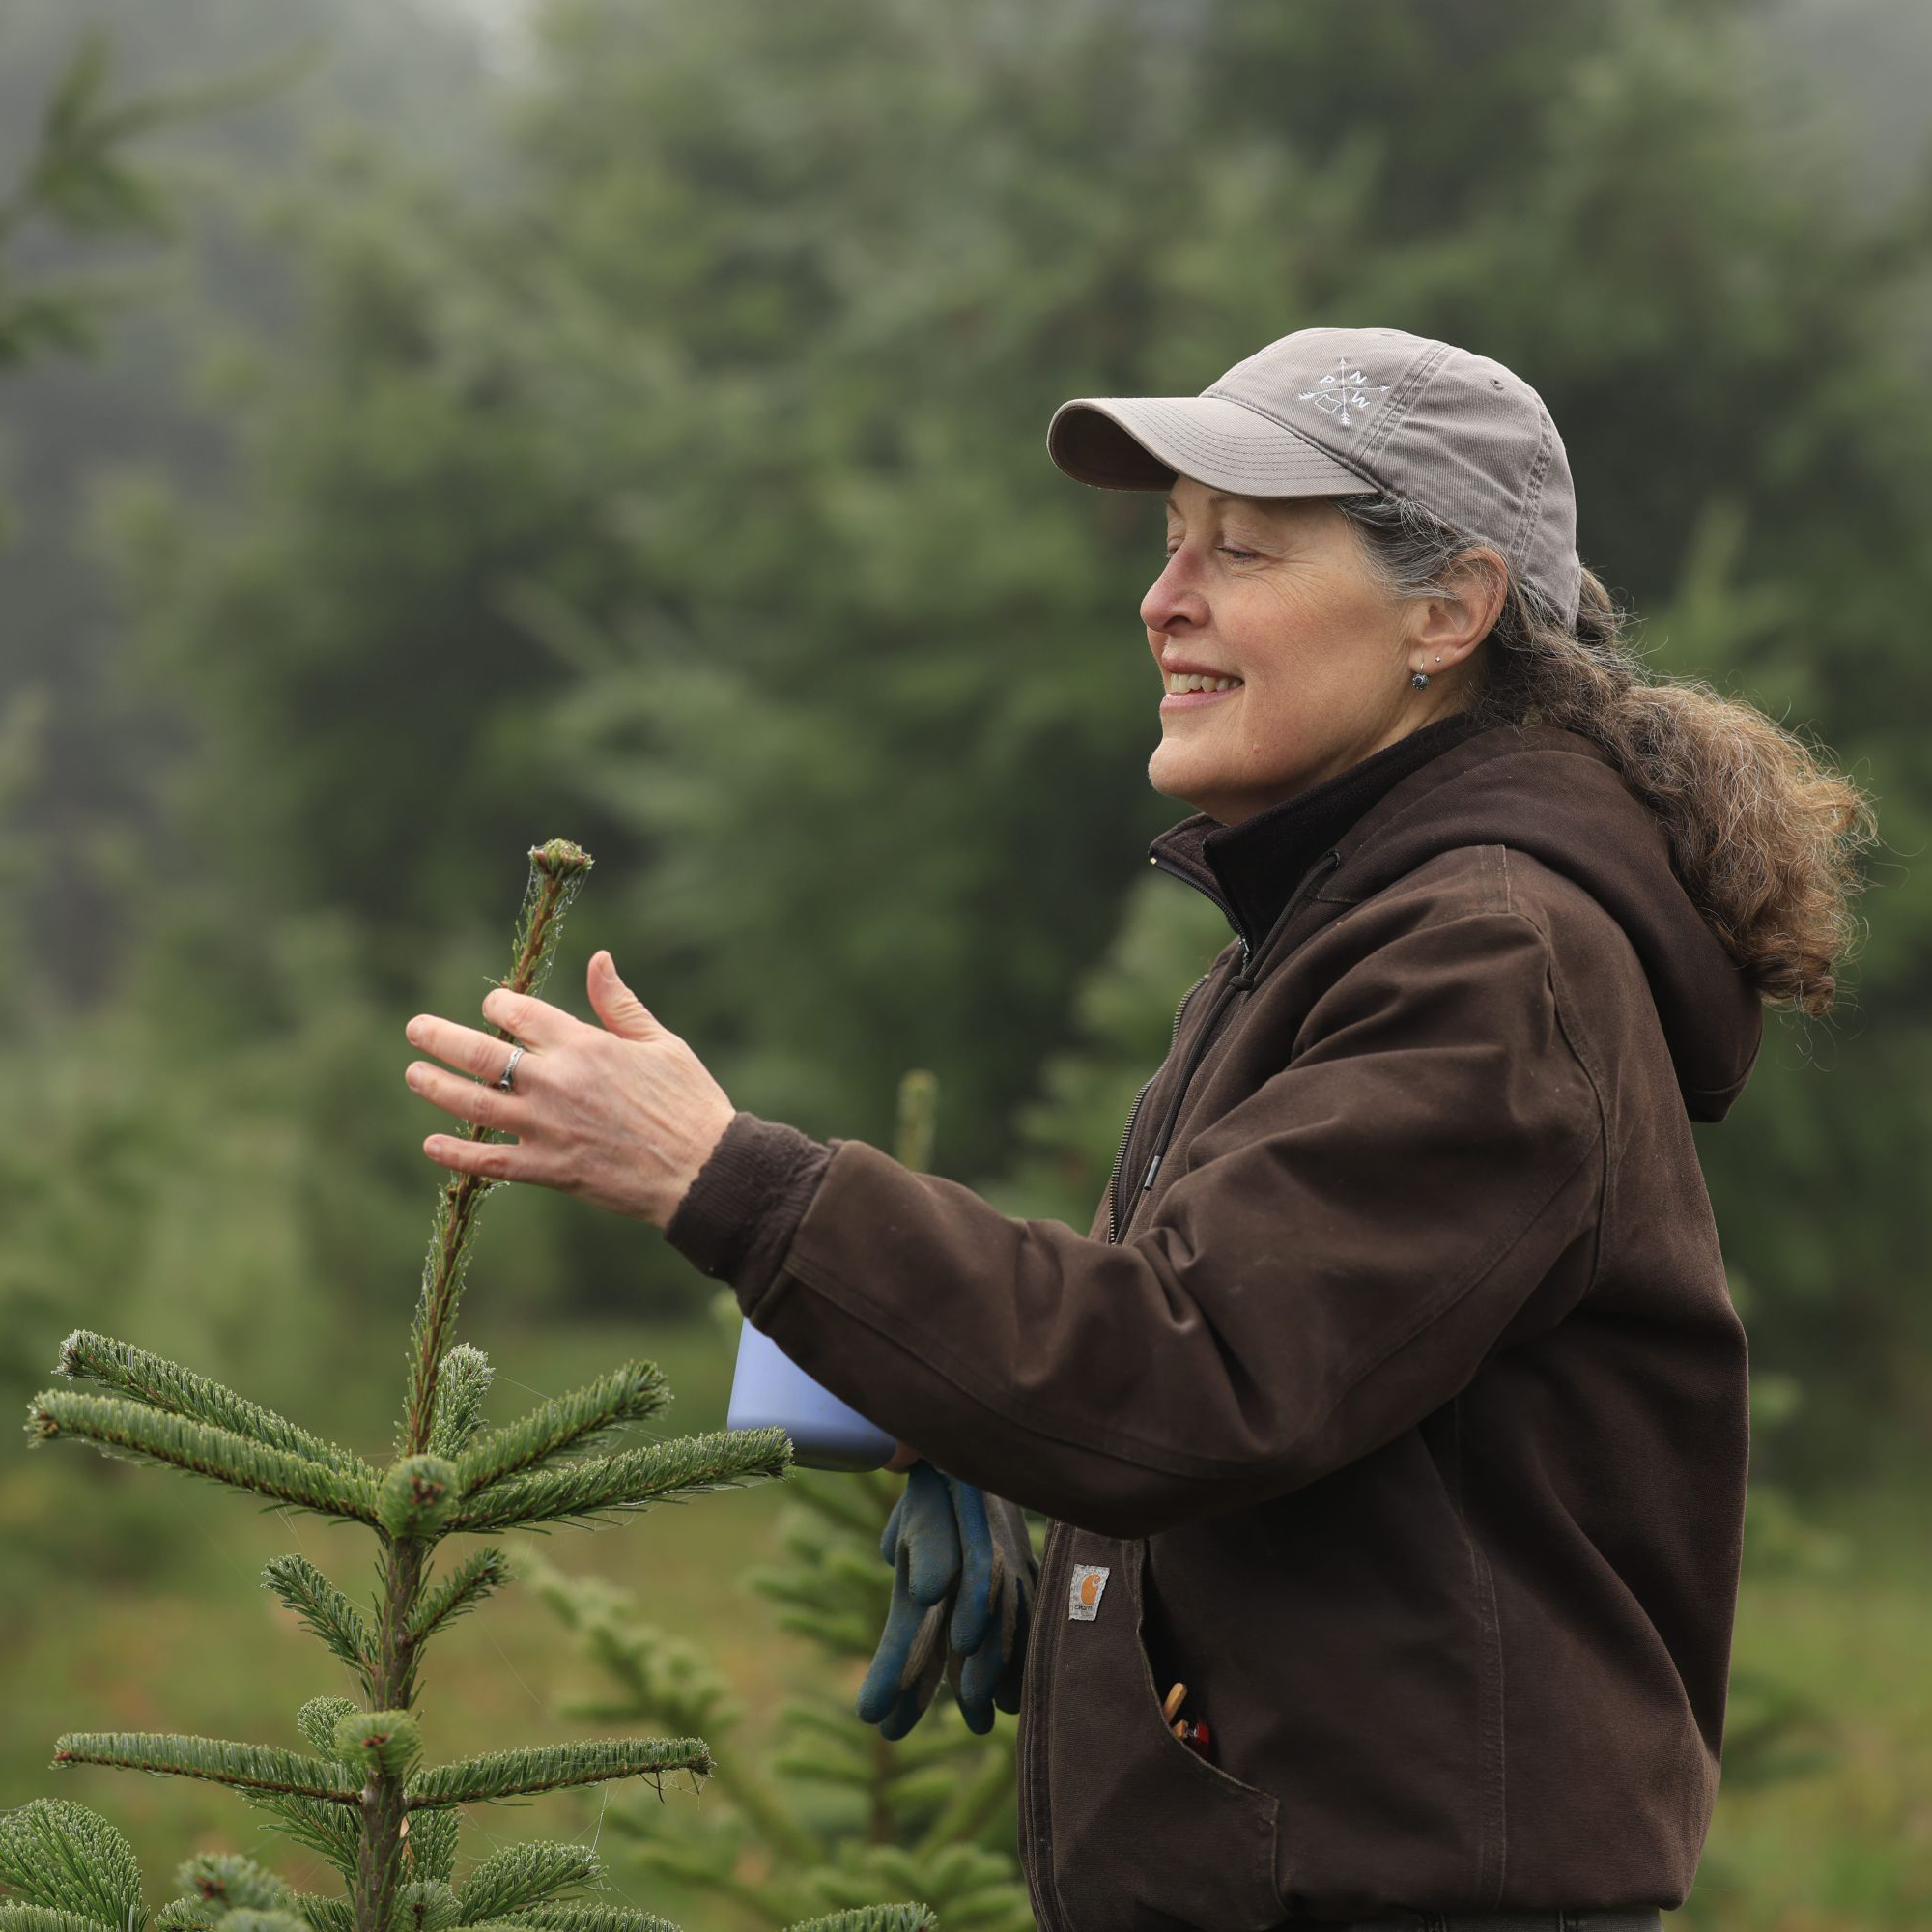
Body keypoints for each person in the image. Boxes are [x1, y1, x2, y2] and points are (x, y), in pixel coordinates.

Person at [399, 325, 1876, 1931]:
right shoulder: (1338, 928)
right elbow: (1252, 1363)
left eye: (1241, 548)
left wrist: (726, 1179)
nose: (1164, 600)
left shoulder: (1489, 962)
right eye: (1173, 545)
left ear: (1448, 612)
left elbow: (1190, 1370)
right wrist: (943, 1420)